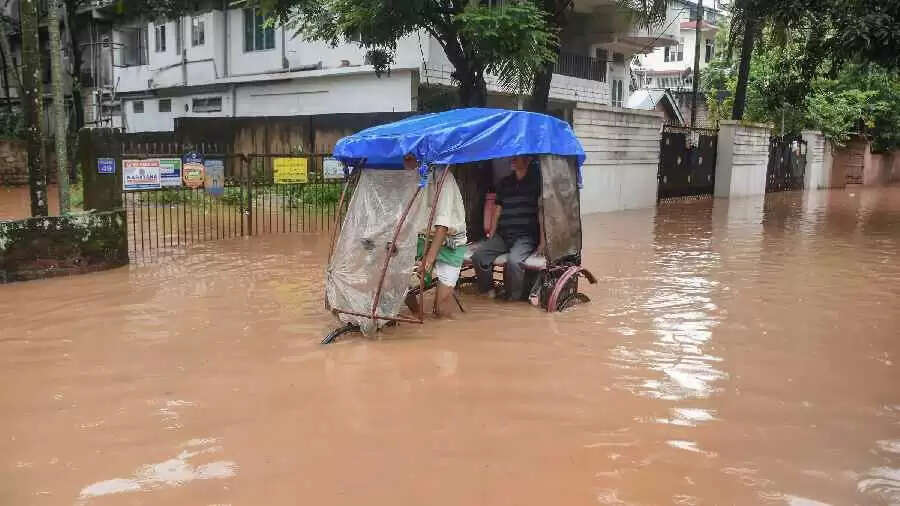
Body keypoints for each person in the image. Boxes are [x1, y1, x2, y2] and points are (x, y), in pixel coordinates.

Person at [402, 154, 468, 317]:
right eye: (405, 158)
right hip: (422, 239)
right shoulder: (410, 178)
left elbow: (443, 225)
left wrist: (428, 261)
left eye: (410, 157)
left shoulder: (443, 177)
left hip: (450, 242)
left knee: (441, 310)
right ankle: (418, 315)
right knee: (400, 284)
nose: (405, 162)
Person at [473, 155, 544, 301]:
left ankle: (514, 298)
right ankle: (489, 291)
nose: (512, 160)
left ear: (527, 160)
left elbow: (542, 213)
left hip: (526, 236)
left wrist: (542, 242)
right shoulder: (505, 183)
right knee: (479, 256)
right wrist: (491, 235)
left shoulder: (537, 183)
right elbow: (497, 211)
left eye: (516, 157)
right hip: (503, 235)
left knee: (514, 261)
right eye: (512, 157)